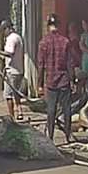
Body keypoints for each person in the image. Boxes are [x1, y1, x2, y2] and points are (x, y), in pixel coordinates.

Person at [37, 14, 75, 143]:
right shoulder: (65, 41)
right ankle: (68, 136)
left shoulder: (43, 43)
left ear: (48, 26)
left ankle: (50, 137)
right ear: (58, 25)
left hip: (51, 81)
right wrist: (72, 79)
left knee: (51, 110)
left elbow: (41, 65)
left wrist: (39, 84)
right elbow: (70, 63)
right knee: (67, 109)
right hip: (64, 80)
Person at [0, 18, 25, 121]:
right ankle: (19, 111)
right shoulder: (18, 37)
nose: (3, 33)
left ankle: (11, 117)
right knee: (16, 93)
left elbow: (9, 53)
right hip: (19, 70)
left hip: (12, 71)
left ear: (7, 28)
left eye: (3, 30)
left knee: (8, 95)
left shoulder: (11, 38)